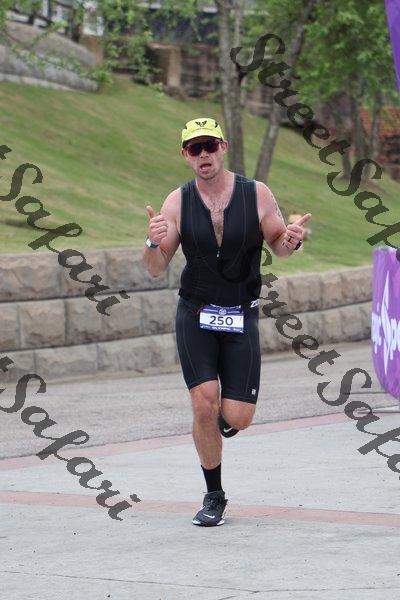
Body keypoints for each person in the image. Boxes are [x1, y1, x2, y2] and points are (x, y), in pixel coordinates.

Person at [143, 117, 311, 527]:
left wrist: (290, 240)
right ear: (186, 155)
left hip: (240, 312)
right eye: (195, 148)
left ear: (223, 147)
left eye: (210, 146)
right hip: (196, 313)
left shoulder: (256, 193)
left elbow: (279, 244)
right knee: (203, 401)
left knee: (238, 418)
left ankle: (218, 420)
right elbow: (156, 267)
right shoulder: (177, 202)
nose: (203, 154)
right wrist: (151, 241)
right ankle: (214, 494)